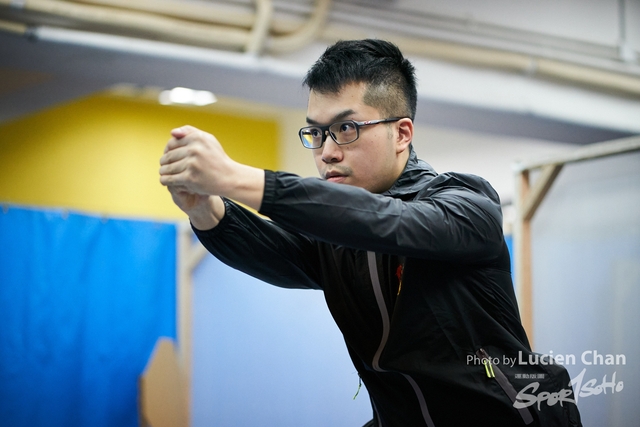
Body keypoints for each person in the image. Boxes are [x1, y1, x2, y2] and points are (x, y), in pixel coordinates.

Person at [159, 39, 581, 427]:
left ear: (401, 133)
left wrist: (235, 177)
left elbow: (388, 223)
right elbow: (274, 250)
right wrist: (204, 206)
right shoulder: (335, 237)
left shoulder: (466, 203)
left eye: (346, 128)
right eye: (317, 132)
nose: (327, 151)